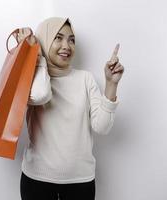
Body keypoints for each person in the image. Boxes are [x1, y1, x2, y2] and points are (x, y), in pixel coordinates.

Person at [16, 17, 124, 200]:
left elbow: (102, 127)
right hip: (37, 180)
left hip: (80, 181)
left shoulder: (85, 79)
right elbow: (41, 95)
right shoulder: (32, 77)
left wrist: (111, 84)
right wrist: (37, 56)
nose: (67, 46)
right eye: (58, 38)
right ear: (45, 40)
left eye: (71, 39)